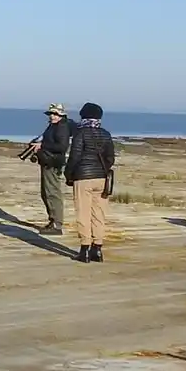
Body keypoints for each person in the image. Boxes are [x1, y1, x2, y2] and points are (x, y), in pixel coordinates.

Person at [65, 103, 115, 263]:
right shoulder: (106, 134)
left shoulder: (81, 133)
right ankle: (98, 248)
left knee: (83, 213)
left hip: (83, 177)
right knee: (99, 213)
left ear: (83, 116)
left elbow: (74, 157)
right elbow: (110, 158)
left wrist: (68, 175)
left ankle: (85, 249)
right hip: (101, 178)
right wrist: (102, 169)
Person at [34, 104, 72, 234]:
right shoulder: (54, 126)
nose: (52, 116)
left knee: (52, 192)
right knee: (46, 192)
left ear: (61, 115)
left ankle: (57, 224)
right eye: (51, 114)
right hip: (48, 161)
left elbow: (62, 147)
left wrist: (42, 145)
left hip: (53, 163)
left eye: (55, 114)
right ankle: (53, 221)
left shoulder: (61, 127)